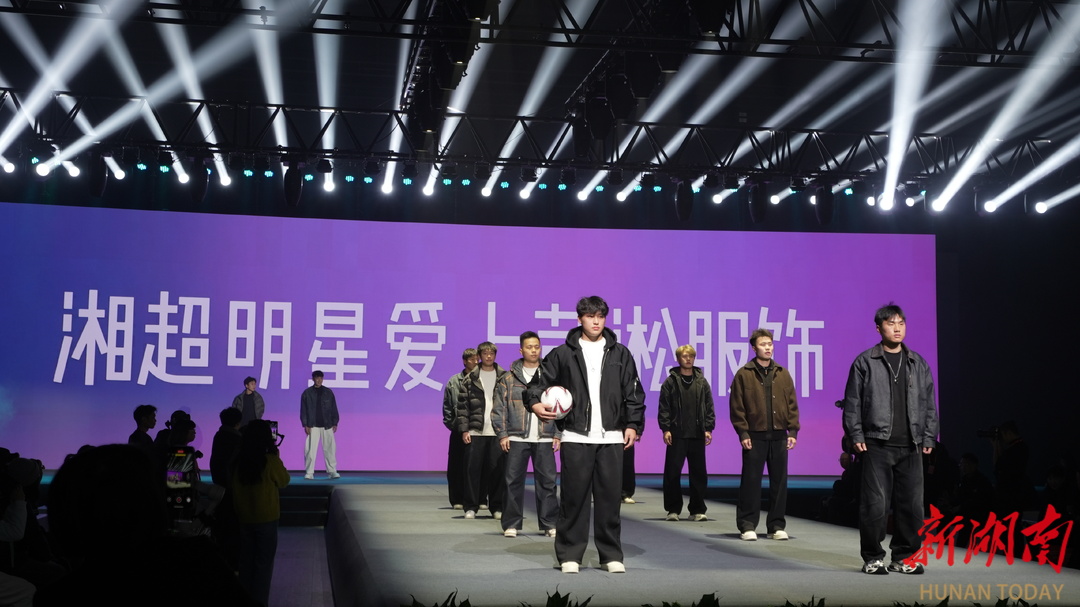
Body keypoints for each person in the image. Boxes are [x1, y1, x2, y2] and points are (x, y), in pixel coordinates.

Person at [527, 296, 645, 574]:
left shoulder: (621, 354)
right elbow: (537, 385)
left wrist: (633, 424)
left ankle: (611, 555)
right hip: (575, 436)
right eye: (590, 316)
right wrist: (534, 403)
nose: (596, 321)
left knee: (609, 501)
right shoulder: (562, 353)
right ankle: (570, 554)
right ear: (579, 318)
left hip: (612, 437)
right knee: (574, 499)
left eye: (600, 316)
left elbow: (634, 392)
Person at [842, 303, 938, 575]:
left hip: (911, 445)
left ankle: (904, 557)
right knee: (875, 505)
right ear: (878, 328)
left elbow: (929, 403)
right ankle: (873, 557)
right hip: (876, 443)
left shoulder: (918, 363)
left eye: (901, 323)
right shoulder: (865, 361)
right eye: (891, 323)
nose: (897, 328)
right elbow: (852, 402)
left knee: (912, 507)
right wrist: (855, 434)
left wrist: (929, 436)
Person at [729, 328, 799, 540]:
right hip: (754, 436)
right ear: (754, 348)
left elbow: (792, 404)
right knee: (751, 482)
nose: (768, 348)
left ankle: (776, 526)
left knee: (779, 483)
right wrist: (743, 432)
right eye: (763, 344)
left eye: (770, 344)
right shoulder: (744, 374)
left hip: (779, 435)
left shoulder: (783, 373)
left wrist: (792, 430)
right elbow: (737, 406)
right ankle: (747, 525)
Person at [492, 332, 560, 538]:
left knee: (548, 483)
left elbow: (562, 408)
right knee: (512, 482)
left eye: (537, 346)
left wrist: (558, 434)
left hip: (545, 437)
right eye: (529, 347)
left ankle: (549, 523)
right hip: (516, 438)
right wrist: (503, 434)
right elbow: (499, 409)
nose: (533, 350)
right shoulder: (508, 378)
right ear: (521, 350)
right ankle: (511, 524)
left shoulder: (551, 377)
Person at [232, 420, 290, 607]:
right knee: (263, 565)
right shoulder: (270, 460)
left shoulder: (238, 461)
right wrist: (277, 458)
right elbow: (284, 480)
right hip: (267, 517)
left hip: (244, 517)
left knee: (245, 563)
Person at [658, 344, 715, 522]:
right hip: (677, 434)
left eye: (691, 356)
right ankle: (673, 509)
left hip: (697, 433)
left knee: (698, 474)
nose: (688, 359)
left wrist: (708, 428)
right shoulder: (670, 382)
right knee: (672, 473)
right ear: (678, 359)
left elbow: (709, 406)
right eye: (684, 356)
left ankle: (697, 509)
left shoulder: (701, 382)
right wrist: (666, 429)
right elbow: (664, 407)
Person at [455, 342, 507, 519]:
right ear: (479, 356)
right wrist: (464, 430)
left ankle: (497, 507)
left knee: (497, 471)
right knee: (472, 470)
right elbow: (462, 407)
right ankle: (471, 506)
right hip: (476, 431)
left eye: (492, 353)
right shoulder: (470, 378)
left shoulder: (504, 377)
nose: (489, 356)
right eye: (485, 353)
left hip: (497, 431)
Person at [442, 348, 478, 509]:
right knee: (456, 465)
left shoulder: (483, 378)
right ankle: (457, 499)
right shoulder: (454, 381)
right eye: (472, 359)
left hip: (478, 429)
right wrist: (455, 426)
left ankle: (478, 499)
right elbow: (447, 407)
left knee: (477, 466)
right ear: (464, 361)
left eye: (477, 359)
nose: (475, 362)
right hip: (459, 429)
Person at [300, 370, 340, 480]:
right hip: (312, 425)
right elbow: (303, 410)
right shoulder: (307, 393)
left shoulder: (328, 392)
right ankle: (309, 472)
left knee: (330, 448)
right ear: (313, 379)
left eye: (321, 378)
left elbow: (333, 408)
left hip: (327, 424)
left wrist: (335, 422)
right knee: (310, 450)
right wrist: (305, 424)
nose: (319, 380)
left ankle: (332, 471)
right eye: (317, 378)